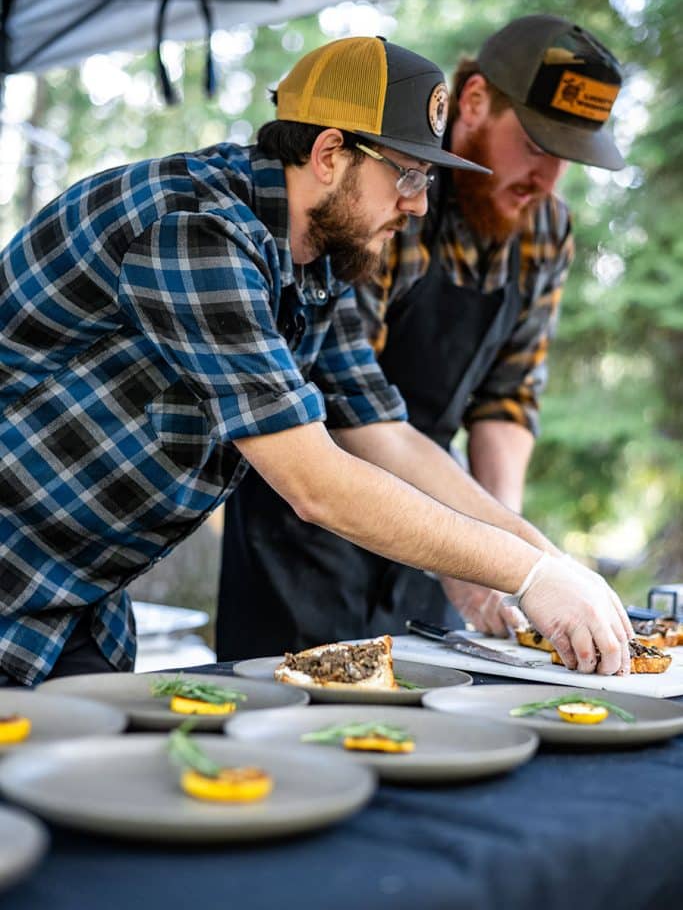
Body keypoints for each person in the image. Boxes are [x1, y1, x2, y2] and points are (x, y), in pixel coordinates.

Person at [0, 35, 631, 688]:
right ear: (330, 153)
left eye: (426, 180)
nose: (417, 203)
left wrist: (550, 563)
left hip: (81, 604)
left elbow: (384, 434)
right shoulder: (196, 229)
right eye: (407, 174)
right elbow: (316, 483)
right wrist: (526, 575)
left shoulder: (315, 261)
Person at [216, 15, 627, 659]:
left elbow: (458, 409)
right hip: (303, 529)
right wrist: (514, 566)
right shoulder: (342, 213)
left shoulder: (538, 228)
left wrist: (530, 559)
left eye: (565, 160)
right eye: (536, 147)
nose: (547, 181)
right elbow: (325, 452)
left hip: (429, 501)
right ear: (474, 102)